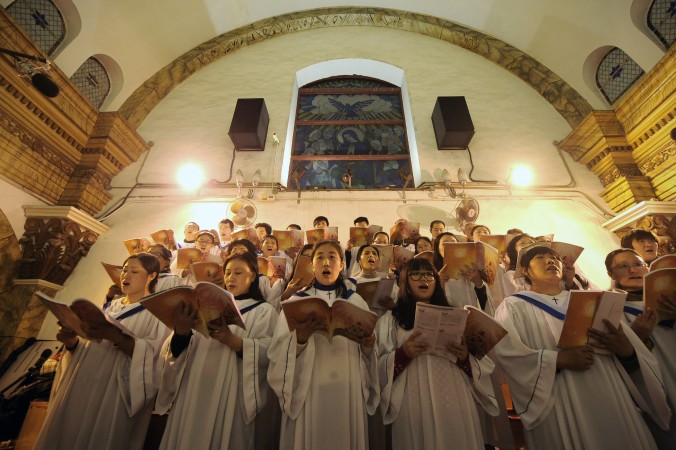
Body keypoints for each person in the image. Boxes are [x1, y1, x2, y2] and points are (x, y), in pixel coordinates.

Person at [492, 245, 668, 450]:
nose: (551, 261)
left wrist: (626, 349)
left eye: (555, 258)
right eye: (540, 258)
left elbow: (627, 348)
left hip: (608, 389)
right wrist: (557, 360)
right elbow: (508, 354)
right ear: (526, 271)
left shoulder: (593, 299)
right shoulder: (514, 306)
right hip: (558, 398)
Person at [34, 254, 169, 450]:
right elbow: (85, 347)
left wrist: (116, 337)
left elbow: (155, 358)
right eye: (124, 270)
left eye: (134, 271)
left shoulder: (156, 312)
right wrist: (70, 341)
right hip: (82, 383)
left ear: (151, 276)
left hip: (113, 391)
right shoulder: (109, 308)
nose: (126, 275)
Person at [155, 253, 279, 450]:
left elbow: (271, 355)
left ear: (253, 276)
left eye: (238, 272)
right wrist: (181, 331)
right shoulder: (201, 307)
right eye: (228, 273)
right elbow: (175, 353)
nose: (231, 277)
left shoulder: (263, 311)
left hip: (232, 393)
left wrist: (233, 340)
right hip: (193, 387)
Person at [267, 240, 379, 450]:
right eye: (320, 257)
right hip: (308, 385)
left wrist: (368, 344)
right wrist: (300, 339)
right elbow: (277, 351)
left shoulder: (356, 301)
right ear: (312, 265)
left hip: (348, 383)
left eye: (332, 257)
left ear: (342, 265)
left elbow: (371, 349)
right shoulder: (295, 302)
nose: (326, 262)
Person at [376, 258, 498, 450]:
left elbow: (479, 365)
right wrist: (403, 354)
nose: (423, 279)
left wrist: (465, 356)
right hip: (413, 396)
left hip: (454, 393)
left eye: (429, 275)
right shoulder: (391, 320)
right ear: (405, 282)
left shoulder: (457, 315)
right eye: (416, 274)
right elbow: (377, 364)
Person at [606, 248, 676, 448]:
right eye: (622, 266)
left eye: (638, 264)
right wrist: (637, 338)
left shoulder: (671, 298)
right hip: (656, 390)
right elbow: (611, 367)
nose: (632, 270)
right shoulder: (611, 309)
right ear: (611, 275)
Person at [351, 244, 397, 315]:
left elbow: (400, 304)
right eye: (366, 253)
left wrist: (393, 306)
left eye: (374, 254)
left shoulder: (387, 282)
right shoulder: (351, 283)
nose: (371, 255)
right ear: (359, 261)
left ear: (378, 261)